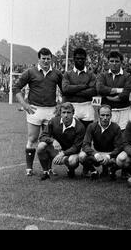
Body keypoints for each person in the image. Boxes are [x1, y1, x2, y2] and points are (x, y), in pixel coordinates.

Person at [13, 48, 63, 176]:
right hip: (34, 109)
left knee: (49, 140)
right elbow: (16, 88)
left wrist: (61, 105)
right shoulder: (30, 72)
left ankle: (49, 168)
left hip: (51, 110)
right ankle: (29, 168)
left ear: (51, 59)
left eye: (48, 59)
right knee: (33, 138)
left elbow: (65, 90)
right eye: (43, 58)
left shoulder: (57, 73)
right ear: (38, 59)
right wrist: (24, 105)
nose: (46, 61)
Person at [37, 103, 85, 180]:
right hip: (57, 151)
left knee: (72, 161)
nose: (66, 115)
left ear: (73, 113)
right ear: (60, 113)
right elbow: (42, 136)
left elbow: (76, 147)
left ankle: (71, 169)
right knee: (41, 146)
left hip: (71, 153)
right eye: (64, 112)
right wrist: (53, 141)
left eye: (68, 112)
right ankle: (45, 172)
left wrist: (63, 154)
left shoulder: (80, 127)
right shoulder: (53, 121)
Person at [79, 105, 123, 180]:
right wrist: (95, 154)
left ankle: (112, 170)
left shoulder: (116, 127)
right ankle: (93, 171)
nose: (105, 118)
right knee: (81, 156)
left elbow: (119, 147)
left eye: (107, 115)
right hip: (97, 153)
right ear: (98, 115)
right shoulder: (92, 126)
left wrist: (109, 155)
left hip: (110, 154)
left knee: (122, 158)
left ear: (111, 115)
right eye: (102, 115)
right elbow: (85, 144)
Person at [96, 51, 131, 130]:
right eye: (112, 61)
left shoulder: (128, 76)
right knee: (107, 137)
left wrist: (109, 95)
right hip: (107, 112)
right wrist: (118, 90)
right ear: (108, 62)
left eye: (117, 61)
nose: (114, 63)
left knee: (123, 138)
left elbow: (127, 93)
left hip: (124, 111)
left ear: (121, 63)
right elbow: (100, 89)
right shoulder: (102, 75)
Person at [62, 48, 97, 128]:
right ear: (74, 59)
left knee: (86, 135)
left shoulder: (91, 75)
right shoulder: (67, 74)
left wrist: (73, 91)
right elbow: (65, 89)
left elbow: (93, 91)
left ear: (85, 59)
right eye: (78, 58)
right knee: (71, 134)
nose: (80, 60)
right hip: (72, 106)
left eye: (82, 59)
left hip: (87, 106)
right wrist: (83, 86)